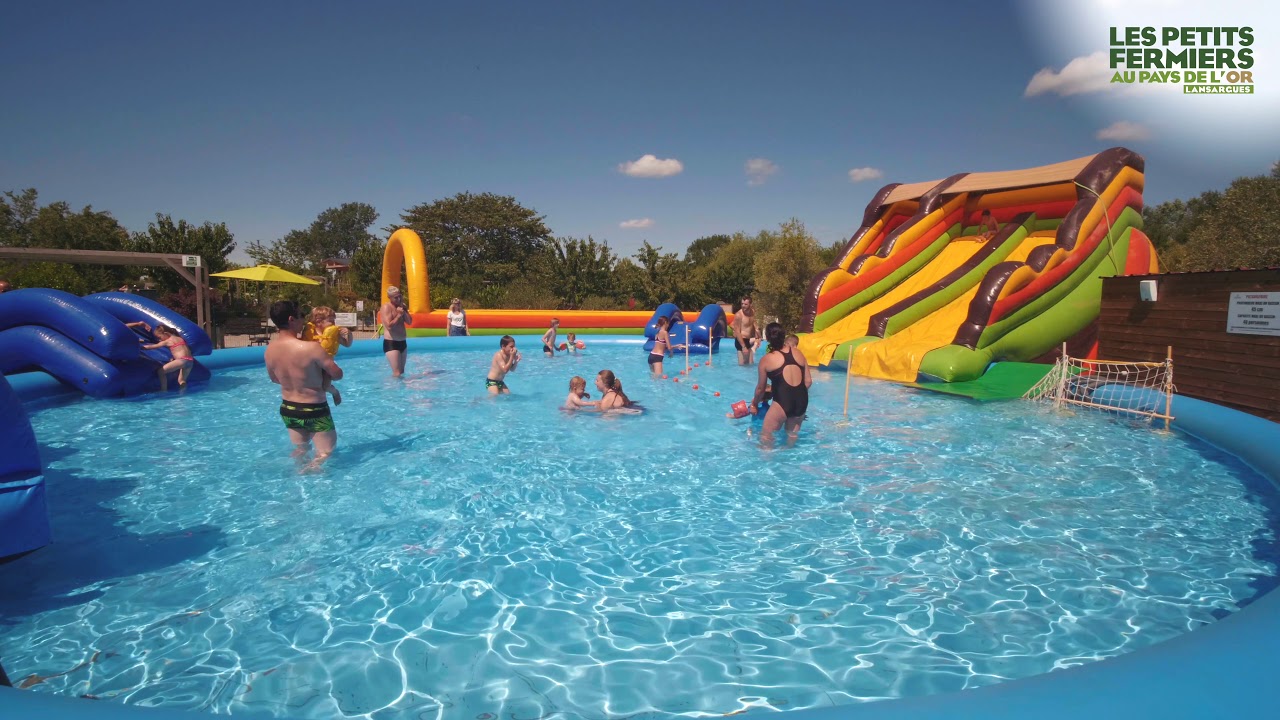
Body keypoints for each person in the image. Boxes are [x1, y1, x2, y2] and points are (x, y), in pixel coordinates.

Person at [265, 300, 344, 467]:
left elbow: (274, 379)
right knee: (325, 452)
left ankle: (299, 476)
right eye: (301, 316)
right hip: (314, 409)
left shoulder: (269, 350)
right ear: (291, 319)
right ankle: (312, 472)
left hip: (288, 409)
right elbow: (337, 374)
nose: (304, 320)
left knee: (301, 450)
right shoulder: (311, 348)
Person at [751, 322, 812, 446]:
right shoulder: (798, 353)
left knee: (766, 438)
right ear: (784, 336)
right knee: (791, 438)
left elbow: (760, 389)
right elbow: (808, 381)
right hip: (801, 401)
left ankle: (766, 458)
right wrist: (795, 395)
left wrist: (754, 404)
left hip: (782, 402)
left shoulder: (766, 360)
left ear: (768, 338)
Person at [302, 306, 352, 405]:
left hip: (326, 364)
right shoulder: (309, 331)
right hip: (311, 364)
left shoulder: (334, 333)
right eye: (331, 321)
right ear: (318, 321)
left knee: (325, 387)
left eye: (334, 320)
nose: (333, 323)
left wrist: (349, 334)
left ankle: (335, 392)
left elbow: (347, 344)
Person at [141, 324, 195, 391]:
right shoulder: (180, 338)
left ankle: (163, 390)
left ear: (165, 333)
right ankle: (183, 393)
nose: (159, 340)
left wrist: (140, 347)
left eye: (159, 337)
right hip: (190, 361)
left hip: (182, 360)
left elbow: (152, 346)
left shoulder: (168, 341)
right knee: (181, 380)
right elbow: (181, 350)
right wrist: (174, 358)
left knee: (161, 372)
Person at [380, 286, 414, 377]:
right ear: (389, 297)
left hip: (402, 342)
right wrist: (399, 315)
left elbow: (409, 322)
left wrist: (404, 310)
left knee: (402, 372)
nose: (398, 299)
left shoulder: (401, 307)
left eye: (400, 296)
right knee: (397, 373)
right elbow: (389, 326)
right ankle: (392, 386)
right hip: (392, 342)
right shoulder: (386, 307)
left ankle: (401, 387)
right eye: (396, 297)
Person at [731, 296, 760, 365]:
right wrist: (743, 347)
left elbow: (754, 324)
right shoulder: (739, 315)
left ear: (750, 304)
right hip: (740, 341)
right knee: (742, 365)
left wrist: (758, 337)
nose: (743, 306)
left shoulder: (752, 312)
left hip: (747, 340)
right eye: (742, 304)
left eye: (745, 304)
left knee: (750, 363)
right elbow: (737, 332)